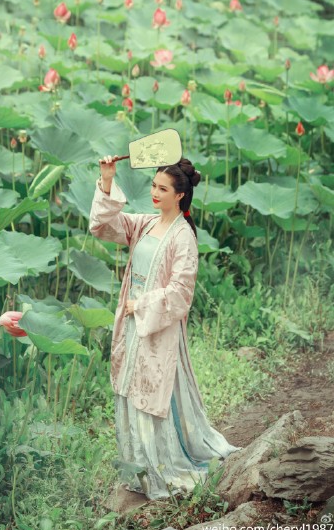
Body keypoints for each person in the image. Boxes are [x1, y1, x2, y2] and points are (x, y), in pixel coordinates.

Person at [89, 154, 242, 500]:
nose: (154, 192)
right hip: (132, 324)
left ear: (180, 196)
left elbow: (181, 293)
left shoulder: (182, 236)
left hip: (156, 325)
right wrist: (108, 180)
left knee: (153, 395)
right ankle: (138, 468)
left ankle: (161, 468)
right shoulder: (144, 224)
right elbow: (101, 226)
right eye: (153, 185)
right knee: (131, 390)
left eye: (162, 188)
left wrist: (141, 304)